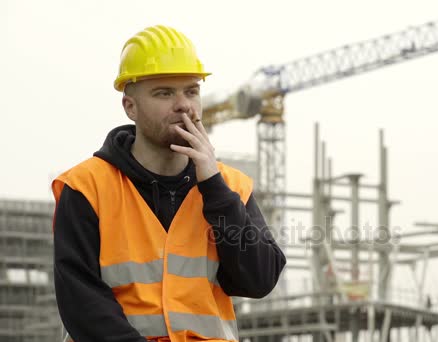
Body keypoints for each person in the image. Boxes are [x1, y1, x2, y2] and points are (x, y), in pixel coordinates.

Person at [52, 25, 286, 342]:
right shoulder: (86, 187)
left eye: (191, 91)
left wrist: (214, 188)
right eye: (164, 93)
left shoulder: (230, 187)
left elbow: (258, 280)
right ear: (129, 106)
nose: (183, 104)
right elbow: (81, 301)